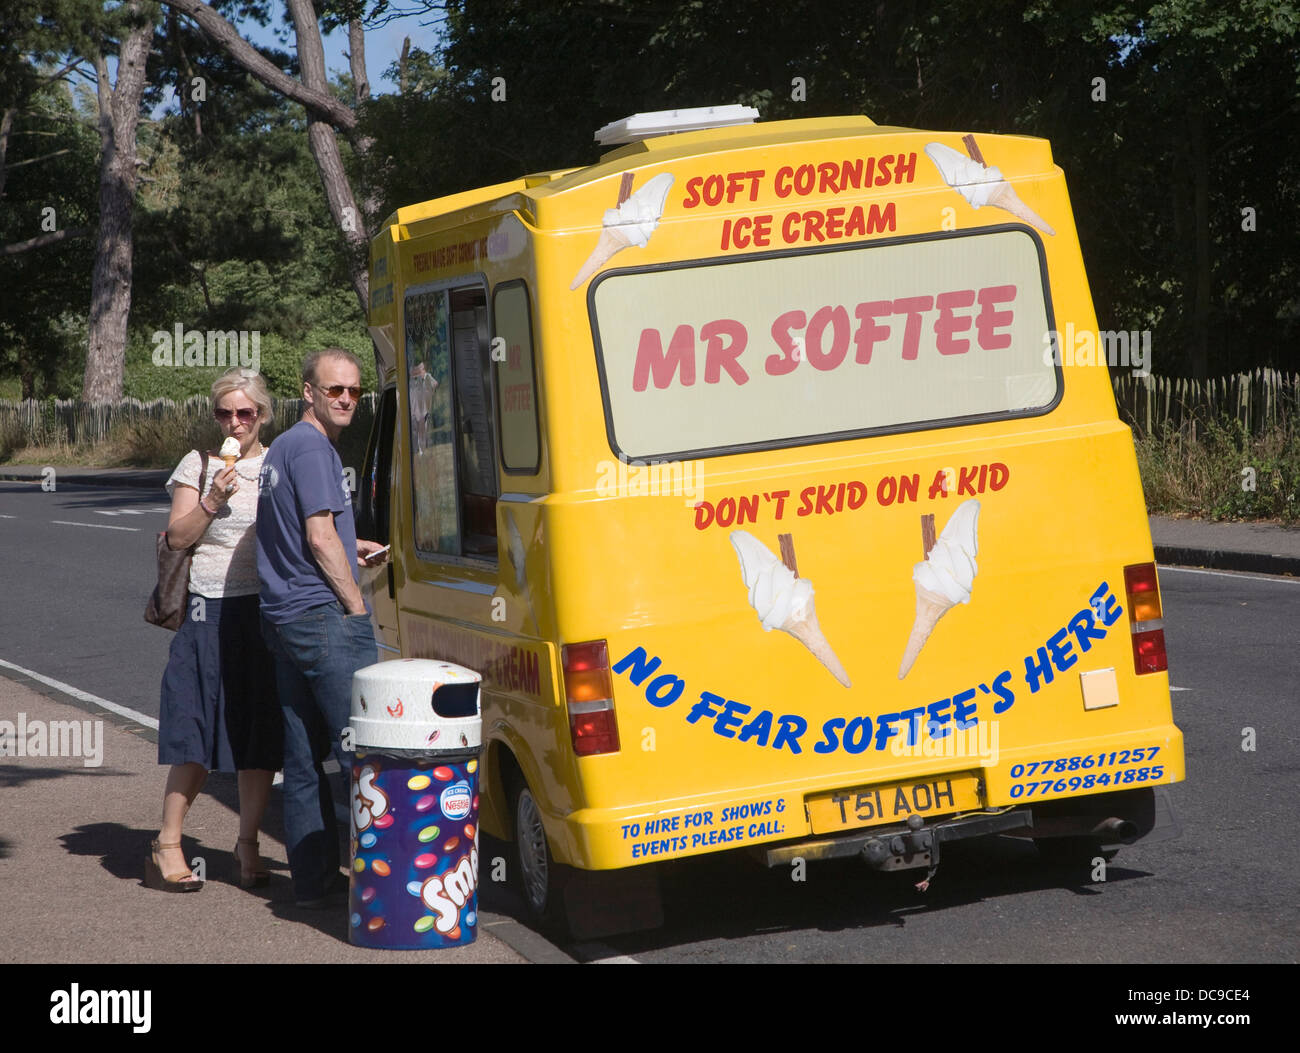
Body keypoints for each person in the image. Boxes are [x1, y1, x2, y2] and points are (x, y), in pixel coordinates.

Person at [256, 349, 387, 908]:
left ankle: (313, 883)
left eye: (355, 392)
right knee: (367, 753)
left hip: (283, 620)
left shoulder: (284, 446)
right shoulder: (313, 449)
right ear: (307, 391)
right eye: (334, 390)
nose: (346, 400)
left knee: (304, 759)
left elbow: (301, 530)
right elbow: (316, 536)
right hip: (322, 621)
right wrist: (356, 606)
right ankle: (391, 885)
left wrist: (349, 543)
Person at [147, 368, 283, 893]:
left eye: (244, 413)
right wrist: (211, 500)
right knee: (195, 729)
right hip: (208, 610)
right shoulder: (199, 464)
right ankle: (168, 843)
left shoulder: (278, 464)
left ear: (262, 415)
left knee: (256, 734)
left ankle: (247, 844)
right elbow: (177, 538)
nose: (235, 422)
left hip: (263, 611)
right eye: (224, 413)